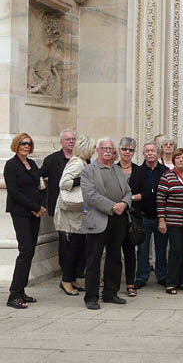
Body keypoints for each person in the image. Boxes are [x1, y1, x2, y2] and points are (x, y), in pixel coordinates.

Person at [81, 138, 133, 310]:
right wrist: (112, 206)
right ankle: (91, 297)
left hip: (118, 220)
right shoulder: (89, 170)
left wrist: (124, 204)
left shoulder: (118, 169)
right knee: (94, 259)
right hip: (98, 219)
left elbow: (128, 191)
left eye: (111, 148)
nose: (108, 151)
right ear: (97, 150)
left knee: (115, 257)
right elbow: (90, 195)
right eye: (104, 148)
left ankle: (110, 293)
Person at [4, 133, 46, 309]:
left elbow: (41, 186)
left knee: (30, 252)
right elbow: (14, 192)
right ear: (16, 145)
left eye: (29, 143)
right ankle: (14, 294)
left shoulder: (33, 164)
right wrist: (34, 207)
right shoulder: (11, 165)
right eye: (22, 143)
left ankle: (21, 290)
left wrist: (41, 206)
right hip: (20, 212)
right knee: (25, 250)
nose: (26, 146)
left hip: (34, 213)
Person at [55, 135, 95, 296]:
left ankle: (70, 278)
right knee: (73, 247)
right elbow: (64, 183)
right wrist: (83, 180)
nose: (93, 151)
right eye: (92, 147)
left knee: (77, 246)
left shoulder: (82, 162)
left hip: (77, 212)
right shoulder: (78, 163)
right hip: (71, 213)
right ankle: (66, 280)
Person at [157, 148, 183, 294]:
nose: (181, 160)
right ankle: (171, 282)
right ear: (174, 160)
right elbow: (160, 200)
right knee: (175, 250)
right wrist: (162, 220)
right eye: (178, 157)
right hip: (173, 220)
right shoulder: (167, 176)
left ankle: (181, 280)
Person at [132, 141, 169, 289]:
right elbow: (133, 191)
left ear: (159, 153)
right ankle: (141, 277)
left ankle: (162, 276)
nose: (150, 153)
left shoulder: (165, 171)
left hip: (161, 217)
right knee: (142, 249)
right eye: (147, 151)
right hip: (143, 217)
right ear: (143, 154)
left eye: (153, 151)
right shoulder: (138, 172)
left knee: (161, 249)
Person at [41, 129, 76, 269]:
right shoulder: (51, 160)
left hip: (78, 205)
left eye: (73, 139)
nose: (71, 141)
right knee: (63, 239)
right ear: (61, 142)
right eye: (68, 139)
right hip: (60, 205)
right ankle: (65, 269)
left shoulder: (82, 159)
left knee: (78, 239)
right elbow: (39, 176)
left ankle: (78, 269)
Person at [116, 137, 141, 296]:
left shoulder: (139, 170)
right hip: (114, 214)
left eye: (130, 150)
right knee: (113, 251)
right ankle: (112, 282)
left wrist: (128, 200)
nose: (127, 152)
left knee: (130, 251)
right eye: (124, 149)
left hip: (131, 216)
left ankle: (131, 283)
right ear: (119, 150)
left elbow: (145, 192)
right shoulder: (112, 168)